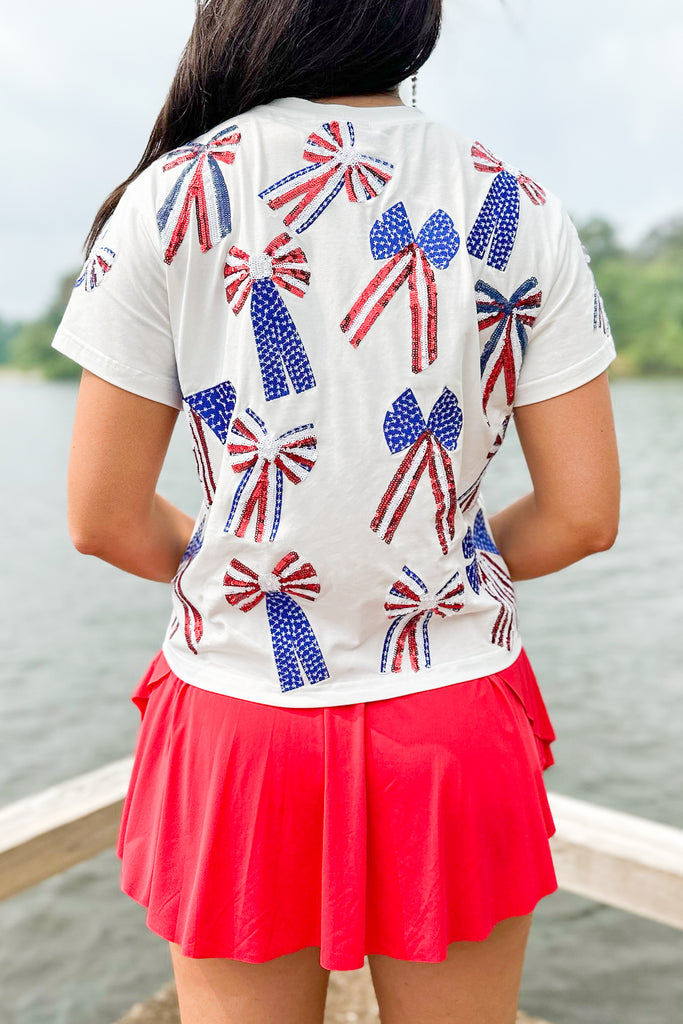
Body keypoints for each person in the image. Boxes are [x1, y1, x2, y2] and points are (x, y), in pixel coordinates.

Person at [51, 1, 621, 1021]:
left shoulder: (172, 197)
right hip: (450, 719)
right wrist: (429, 559)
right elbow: (581, 516)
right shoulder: (515, 200)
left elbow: (102, 517)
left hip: (239, 722)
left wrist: (249, 563)